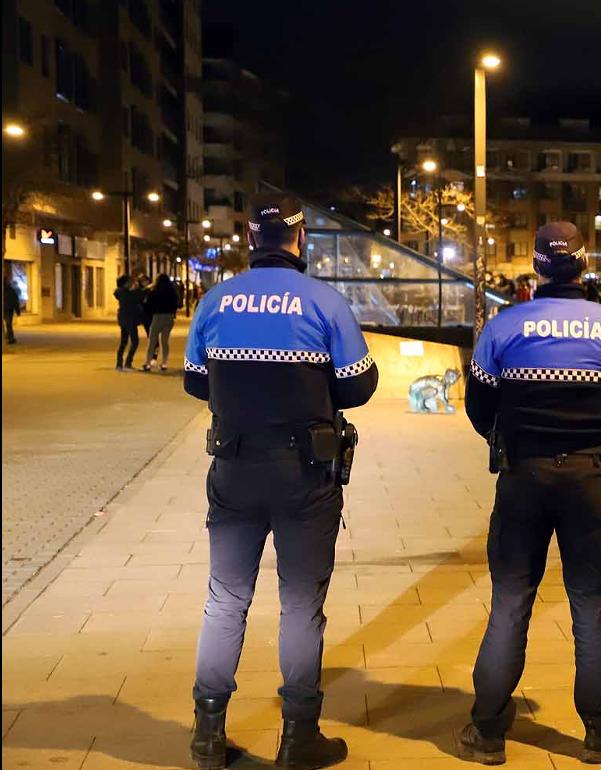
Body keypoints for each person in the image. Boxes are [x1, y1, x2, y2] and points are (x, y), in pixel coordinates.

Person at [183, 193, 378, 770]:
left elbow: (197, 384)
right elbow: (357, 387)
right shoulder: (324, 301)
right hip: (305, 474)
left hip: (235, 469)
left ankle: (207, 736)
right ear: (300, 241)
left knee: (225, 598)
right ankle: (298, 738)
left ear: (250, 239)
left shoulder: (216, 300)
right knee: (300, 604)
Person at [460, 221, 601, 765]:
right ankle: (600, 734)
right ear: (584, 266)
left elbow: (480, 409)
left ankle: (488, 733)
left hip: (522, 478)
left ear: (538, 267)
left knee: (509, 603)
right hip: (589, 481)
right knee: (591, 605)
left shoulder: (504, 327)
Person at [142, 274, 180, 371]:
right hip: (169, 317)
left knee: (152, 340)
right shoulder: (172, 293)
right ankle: (164, 363)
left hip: (157, 316)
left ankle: (148, 363)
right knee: (165, 341)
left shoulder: (154, 292)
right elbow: (177, 304)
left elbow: (148, 305)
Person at [114, 275, 145, 371]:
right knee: (134, 341)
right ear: (125, 283)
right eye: (130, 282)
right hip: (129, 319)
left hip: (124, 319)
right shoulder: (126, 293)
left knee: (124, 341)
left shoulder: (121, 292)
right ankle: (127, 362)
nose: (131, 283)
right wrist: (140, 289)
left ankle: (119, 363)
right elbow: (138, 297)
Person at [3, 275, 20, 344]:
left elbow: (15, 300)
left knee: (8, 323)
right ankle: (10, 337)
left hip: (7, 309)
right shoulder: (11, 290)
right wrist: (17, 310)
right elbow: (15, 301)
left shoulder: (11, 290)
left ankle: (9, 336)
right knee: (8, 323)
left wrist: (17, 310)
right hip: (8, 309)